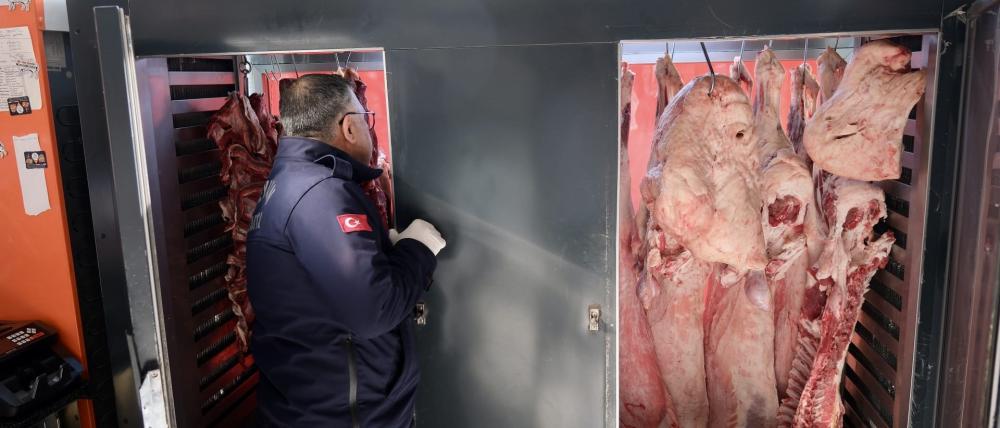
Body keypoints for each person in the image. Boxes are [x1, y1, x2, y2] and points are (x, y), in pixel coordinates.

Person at [246, 74, 446, 427]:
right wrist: (418, 249)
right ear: (349, 127)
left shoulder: (289, 185)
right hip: (343, 418)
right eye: (365, 119)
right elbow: (374, 310)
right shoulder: (320, 194)